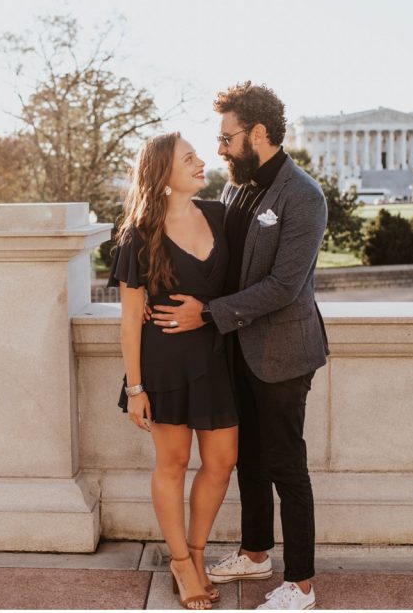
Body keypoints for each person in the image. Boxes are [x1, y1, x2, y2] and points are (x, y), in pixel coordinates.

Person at [150, 82, 329, 610]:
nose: (220, 148)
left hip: (283, 353)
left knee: (286, 466)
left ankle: (301, 585)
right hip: (236, 351)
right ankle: (255, 554)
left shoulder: (304, 195)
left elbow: (283, 286)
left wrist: (204, 313)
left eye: (227, 138)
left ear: (258, 133)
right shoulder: (236, 188)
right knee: (247, 458)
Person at [109, 131, 239, 610]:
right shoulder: (138, 235)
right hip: (163, 364)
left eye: (198, 155)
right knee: (174, 462)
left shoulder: (221, 216)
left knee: (222, 461)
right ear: (163, 174)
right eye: (189, 159)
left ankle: (199, 552)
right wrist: (136, 388)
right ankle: (182, 563)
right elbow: (128, 321)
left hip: (217, 356)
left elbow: (246, 281)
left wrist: (208, 309)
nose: (201, 161)